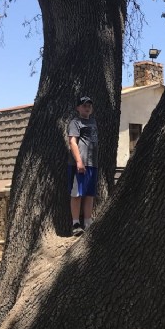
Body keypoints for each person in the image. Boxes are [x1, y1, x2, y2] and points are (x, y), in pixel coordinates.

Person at [67, 95, 98, 236]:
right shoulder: (75, 122)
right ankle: (75, 223)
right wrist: (79, 161)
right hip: (80, 163)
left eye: (89, 106)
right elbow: (73, 142)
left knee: (89, 194)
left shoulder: (93, 122)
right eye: (84, 105)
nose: (87, 108)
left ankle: (87, 221)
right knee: (77, 193)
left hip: (93, 163)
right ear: (78, 108)